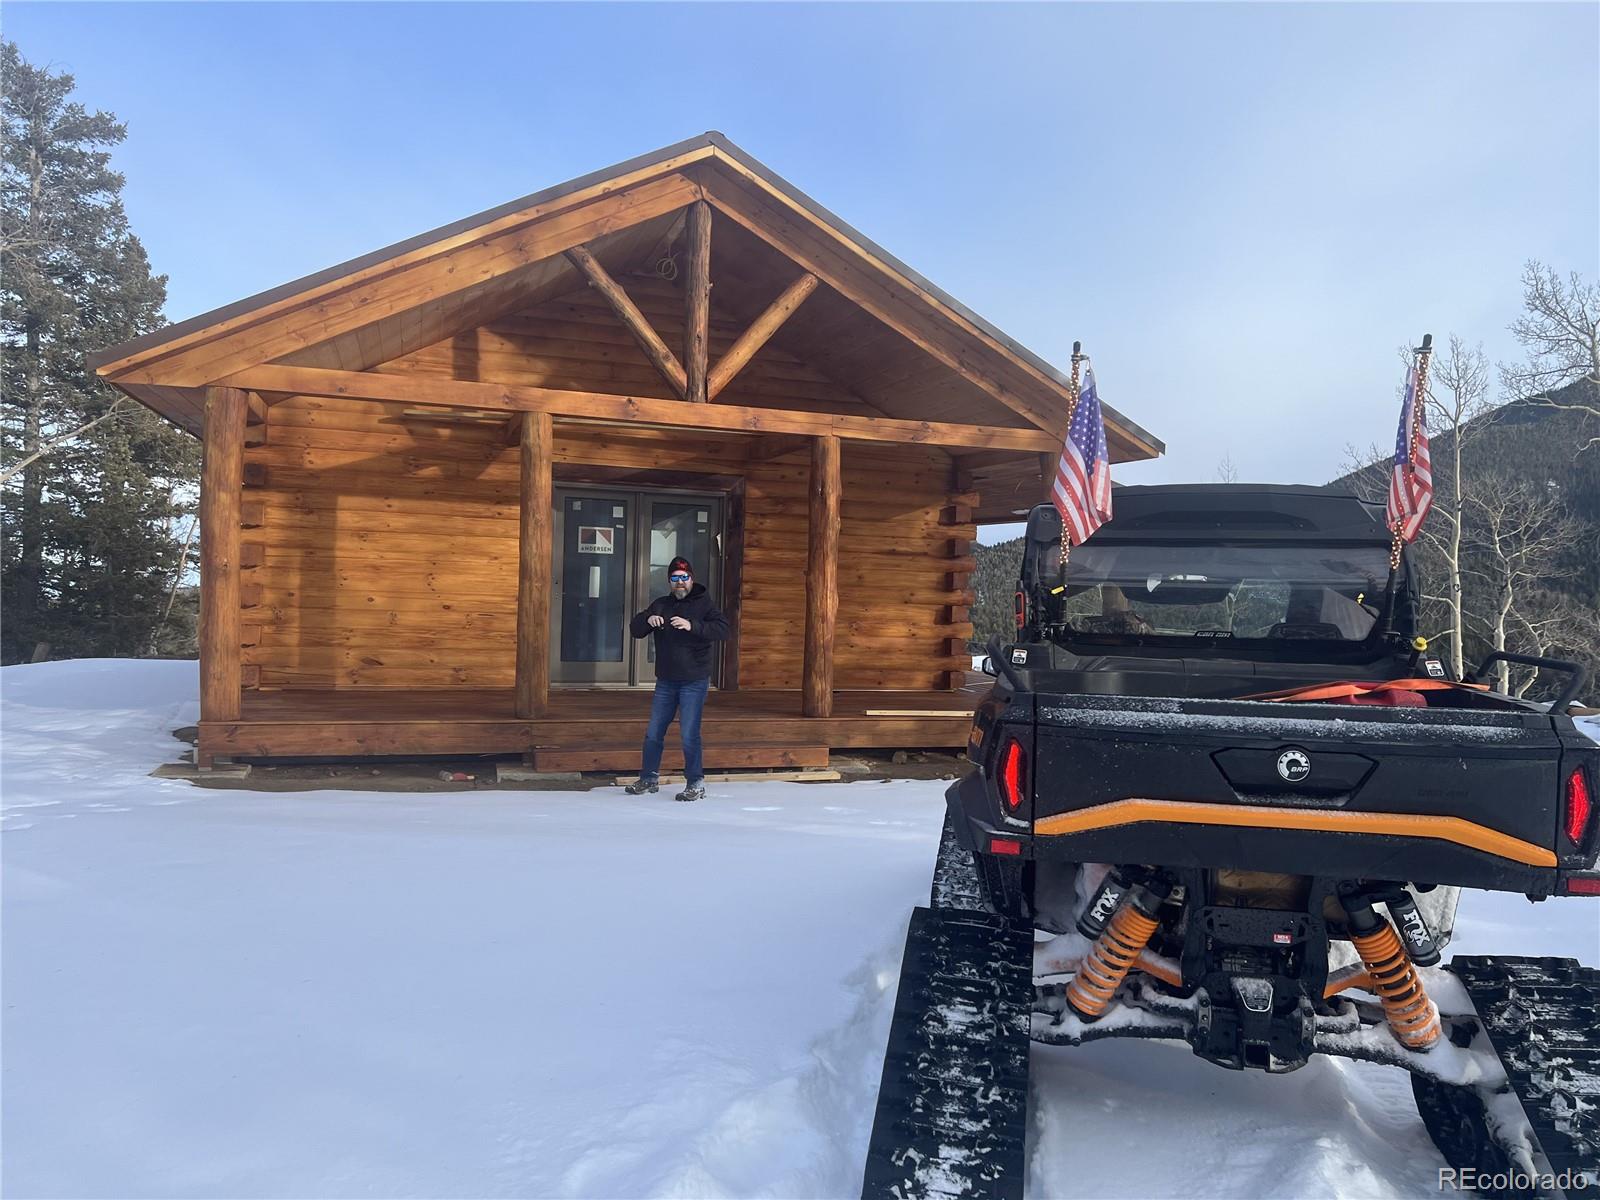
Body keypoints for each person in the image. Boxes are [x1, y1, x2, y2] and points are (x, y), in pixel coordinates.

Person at [625, 556, 729, 801]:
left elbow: (723, 629)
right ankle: (648, 778)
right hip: (666, 681)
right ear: (669, 581)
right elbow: (635, 629)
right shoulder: (661, 604)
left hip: (694, 680)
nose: (680, 582)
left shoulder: (705, 605)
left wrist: (692, 625)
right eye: (675, 578)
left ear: (691, 579)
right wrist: (647, 620)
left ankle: (695, 783)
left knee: (688, 733)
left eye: (684, 577)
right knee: (653, 732)